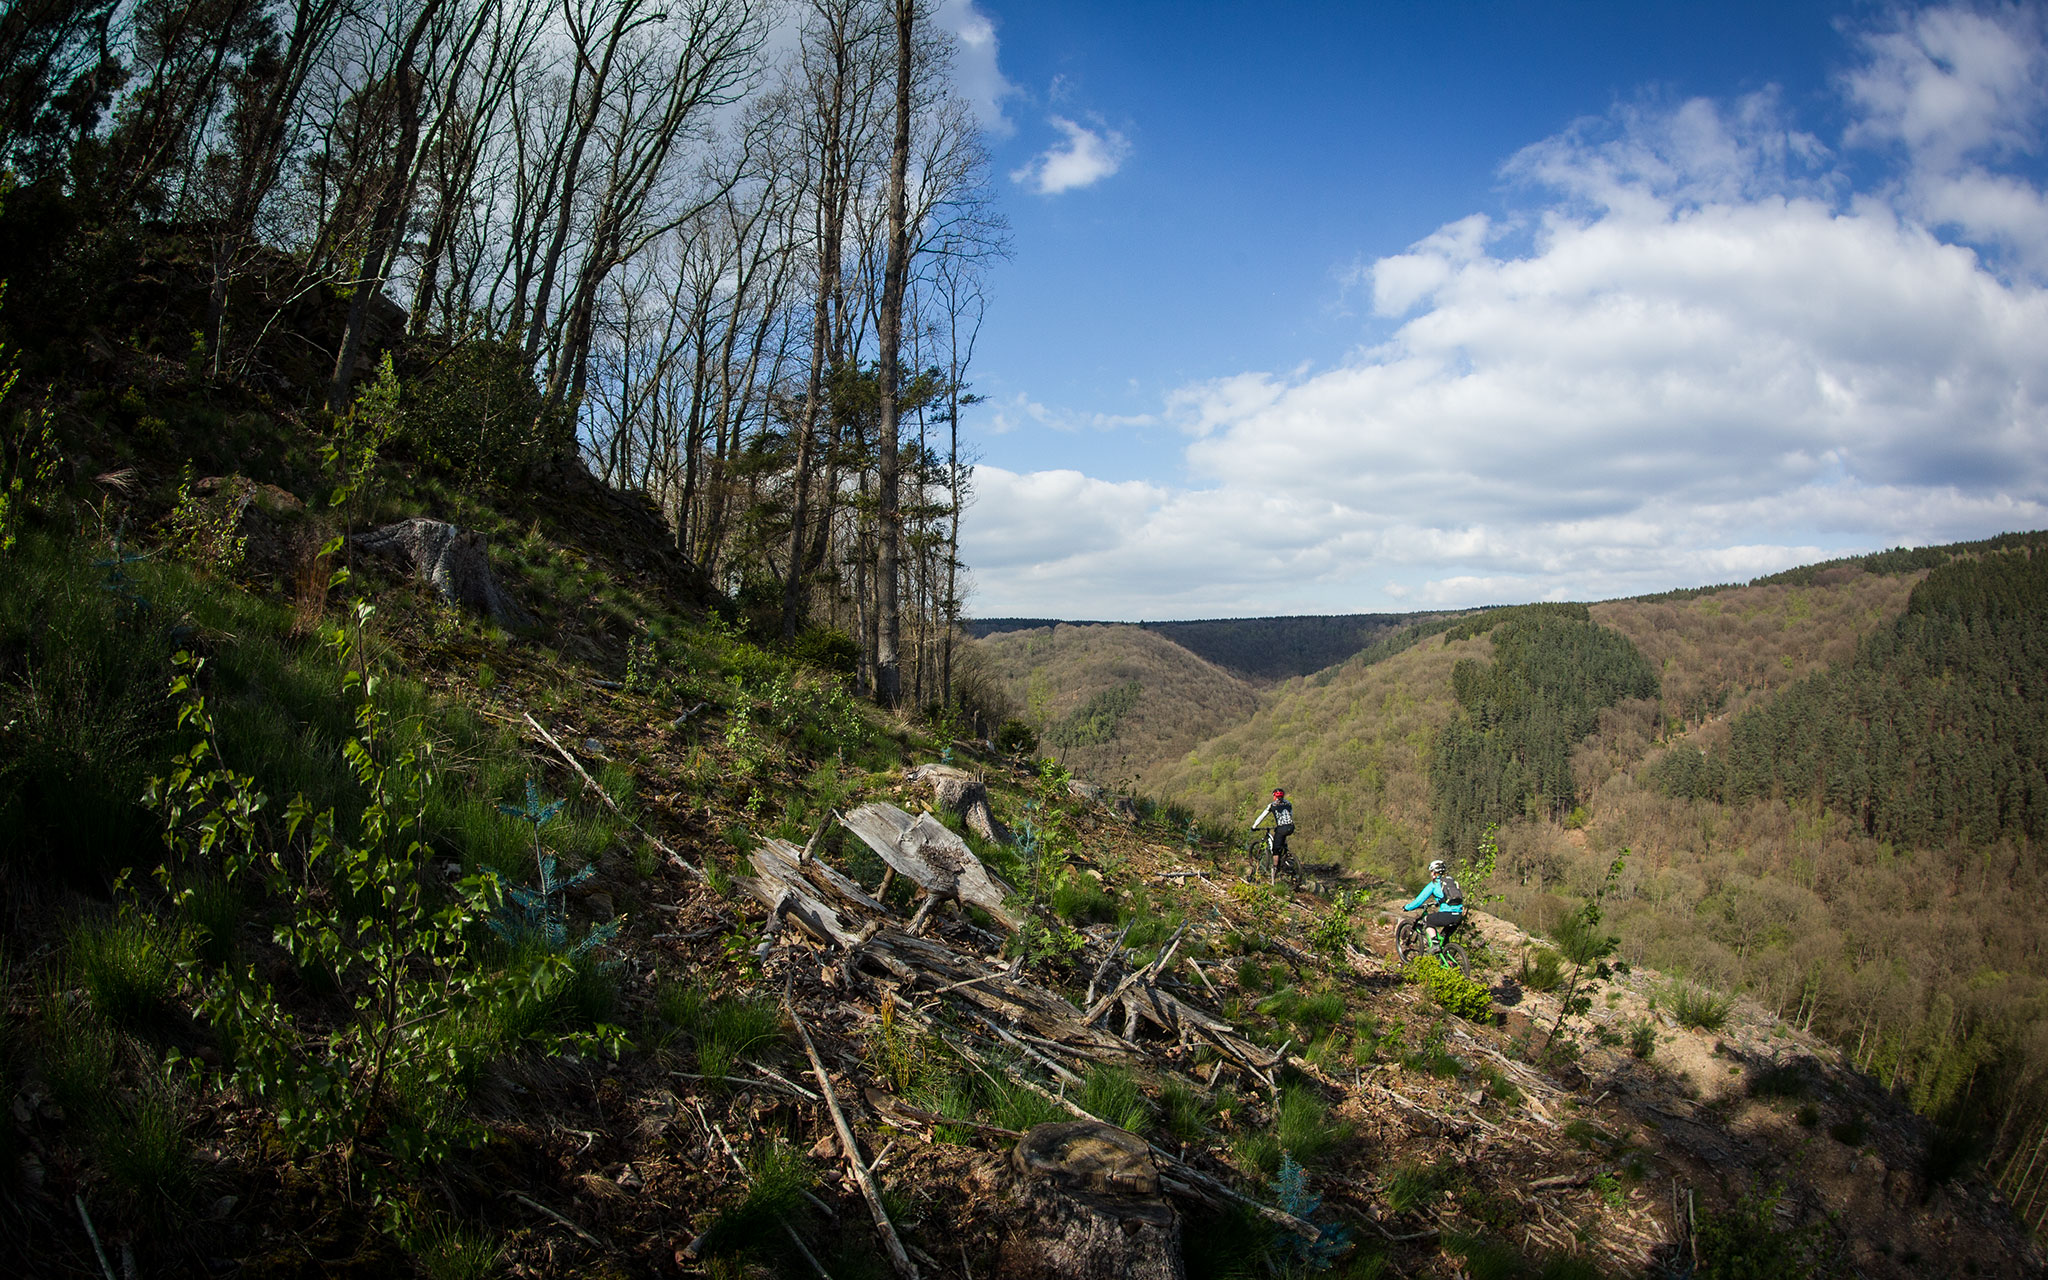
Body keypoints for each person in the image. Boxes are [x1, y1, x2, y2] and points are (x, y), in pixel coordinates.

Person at [1404, 858, 1465, 946]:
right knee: (1444, 940)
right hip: (1458, 915)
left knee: (1427, 920)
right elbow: (1449, 897)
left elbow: (1419, 901)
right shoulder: (1452, 882)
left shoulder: (1434, 884)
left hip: (1447, 914)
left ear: (1434, 872)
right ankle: (1448, 956)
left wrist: (1407, 907)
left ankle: (1435, 945)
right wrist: (1438, 902)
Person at [1249, 788, 1296, 879]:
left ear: (1274, 796)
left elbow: (1262, 816)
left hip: (1281, 828)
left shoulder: (1272, 805)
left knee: (1275, 850)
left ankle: (1274, 870)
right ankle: (1286, 857)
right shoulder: (1289, 803)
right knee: (1282, 842)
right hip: (1291, 827)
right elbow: (1290, 815)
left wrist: (1254, 826)